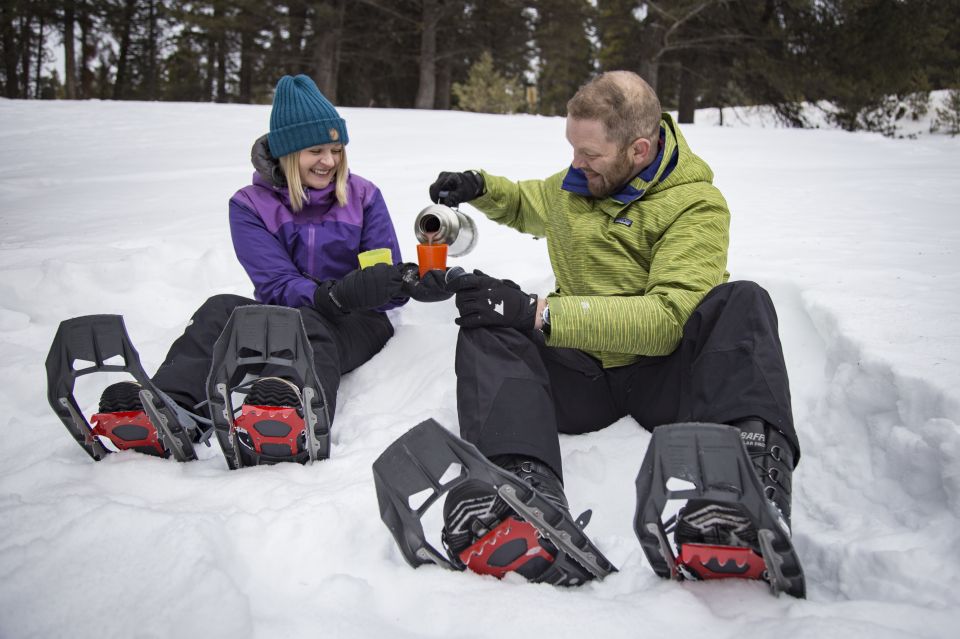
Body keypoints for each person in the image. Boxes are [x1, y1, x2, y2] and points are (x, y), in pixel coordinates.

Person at [429, 71, 799, 582]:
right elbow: (525, 202)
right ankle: (520, 488)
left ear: (639, 149)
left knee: (744, 302)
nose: (576, 164)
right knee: (485, 315)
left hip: (664, 378)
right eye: (572, 149)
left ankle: (743, 485)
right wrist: (479, 187)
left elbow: (668, 321)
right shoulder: (575, 186)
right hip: (583, 378)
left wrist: (539, 313)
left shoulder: (695, 205)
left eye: (590, 154)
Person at [90, 74, 448, 466]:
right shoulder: (249, 205)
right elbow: (275, 281)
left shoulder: (362, 196)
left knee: (309, 326)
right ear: (288, 153)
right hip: (286, 311)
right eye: (316, 150)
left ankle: (293, 418)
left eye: (336, 149)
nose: (329, 161)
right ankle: (167, 412)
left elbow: (383, 276)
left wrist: (391, 284)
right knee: (219, 310)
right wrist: (325, 294)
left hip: (359, 321)